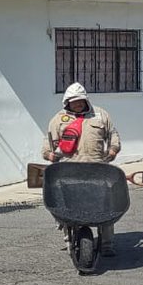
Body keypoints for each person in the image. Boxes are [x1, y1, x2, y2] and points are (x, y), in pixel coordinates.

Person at [42, 82, 122, 254]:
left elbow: (113, 135)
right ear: (66, 102)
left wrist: (113, 149)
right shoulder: (58, 120)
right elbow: (47, 146)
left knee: (106, 208)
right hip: (70, 172)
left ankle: (107, 244)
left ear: (86, 99)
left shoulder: (100, 115)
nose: (77, 104)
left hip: (98, 170)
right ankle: (68, 238)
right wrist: (50, 155)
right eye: (73, 101)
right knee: (65, 207)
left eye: (80, 100)